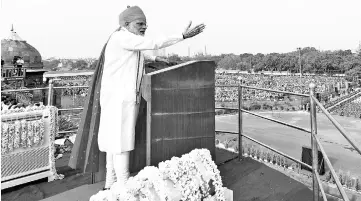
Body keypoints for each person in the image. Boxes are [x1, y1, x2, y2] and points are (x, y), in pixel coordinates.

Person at [69, 5, 205, 196]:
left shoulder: (124, 40)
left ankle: (110, 183)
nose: (143, 28)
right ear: (126, 24)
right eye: (140, 24)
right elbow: (155, 44)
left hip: (119, 98)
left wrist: (161, 63)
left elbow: (140, 59)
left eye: (145, 25)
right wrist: (181, 36)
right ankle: (124, 187)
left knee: (113, 143)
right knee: (120, 143)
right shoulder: (122, 37)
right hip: (119, 100)